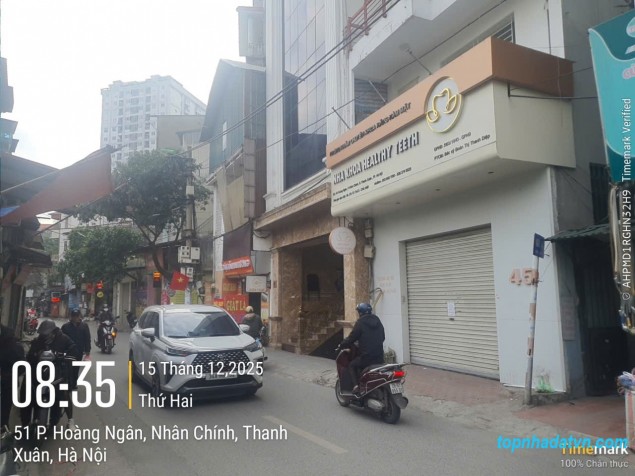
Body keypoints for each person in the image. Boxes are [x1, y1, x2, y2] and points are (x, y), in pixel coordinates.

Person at [21, 320, 78, 426]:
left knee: (64, 393)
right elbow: (30, 355)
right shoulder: (38, 341)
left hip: (58, 370)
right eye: (43, 334)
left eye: (47, 333)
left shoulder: (64, 339)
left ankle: (70, 420)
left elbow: (73, 350)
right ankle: (25, 421)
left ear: (53, 331)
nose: (44, 336)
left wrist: (65, 357)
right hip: (40, 371)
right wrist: (34, 355)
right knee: (26, 389)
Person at [340, 302, 385, 393]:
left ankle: (356, 387)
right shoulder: (377, 320)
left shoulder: (360, 323)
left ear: (360, 312)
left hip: (366, 358)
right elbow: (383, 337)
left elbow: (352, 338)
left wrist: (342, 344)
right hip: (379, 357)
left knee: (351, 365)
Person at [0, 324, 25, 430]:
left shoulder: (11, 345)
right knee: (5, 404)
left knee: (5, 404)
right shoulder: (16, 345)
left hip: (8, 379)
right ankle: (3, 426)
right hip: (9, 379)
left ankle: (3, 426)